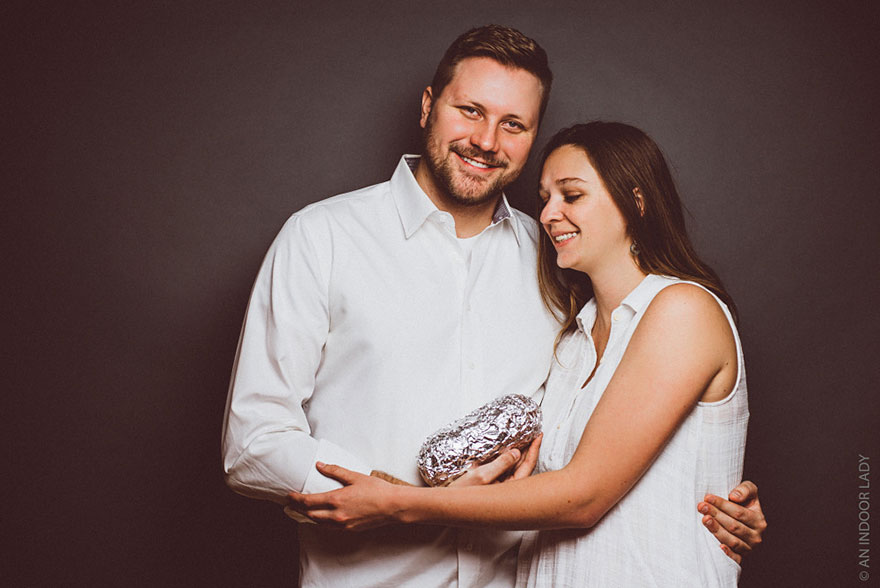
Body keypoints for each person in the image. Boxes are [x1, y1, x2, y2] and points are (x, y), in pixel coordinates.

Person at [222, 26, 765, 587]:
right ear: (430, 106)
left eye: (513, 124)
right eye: (470, 111)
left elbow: (614, 428)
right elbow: (254, 441)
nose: (486, 140)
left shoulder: (560, 262)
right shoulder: (324, 238)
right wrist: (387, 496)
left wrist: (708, 492)